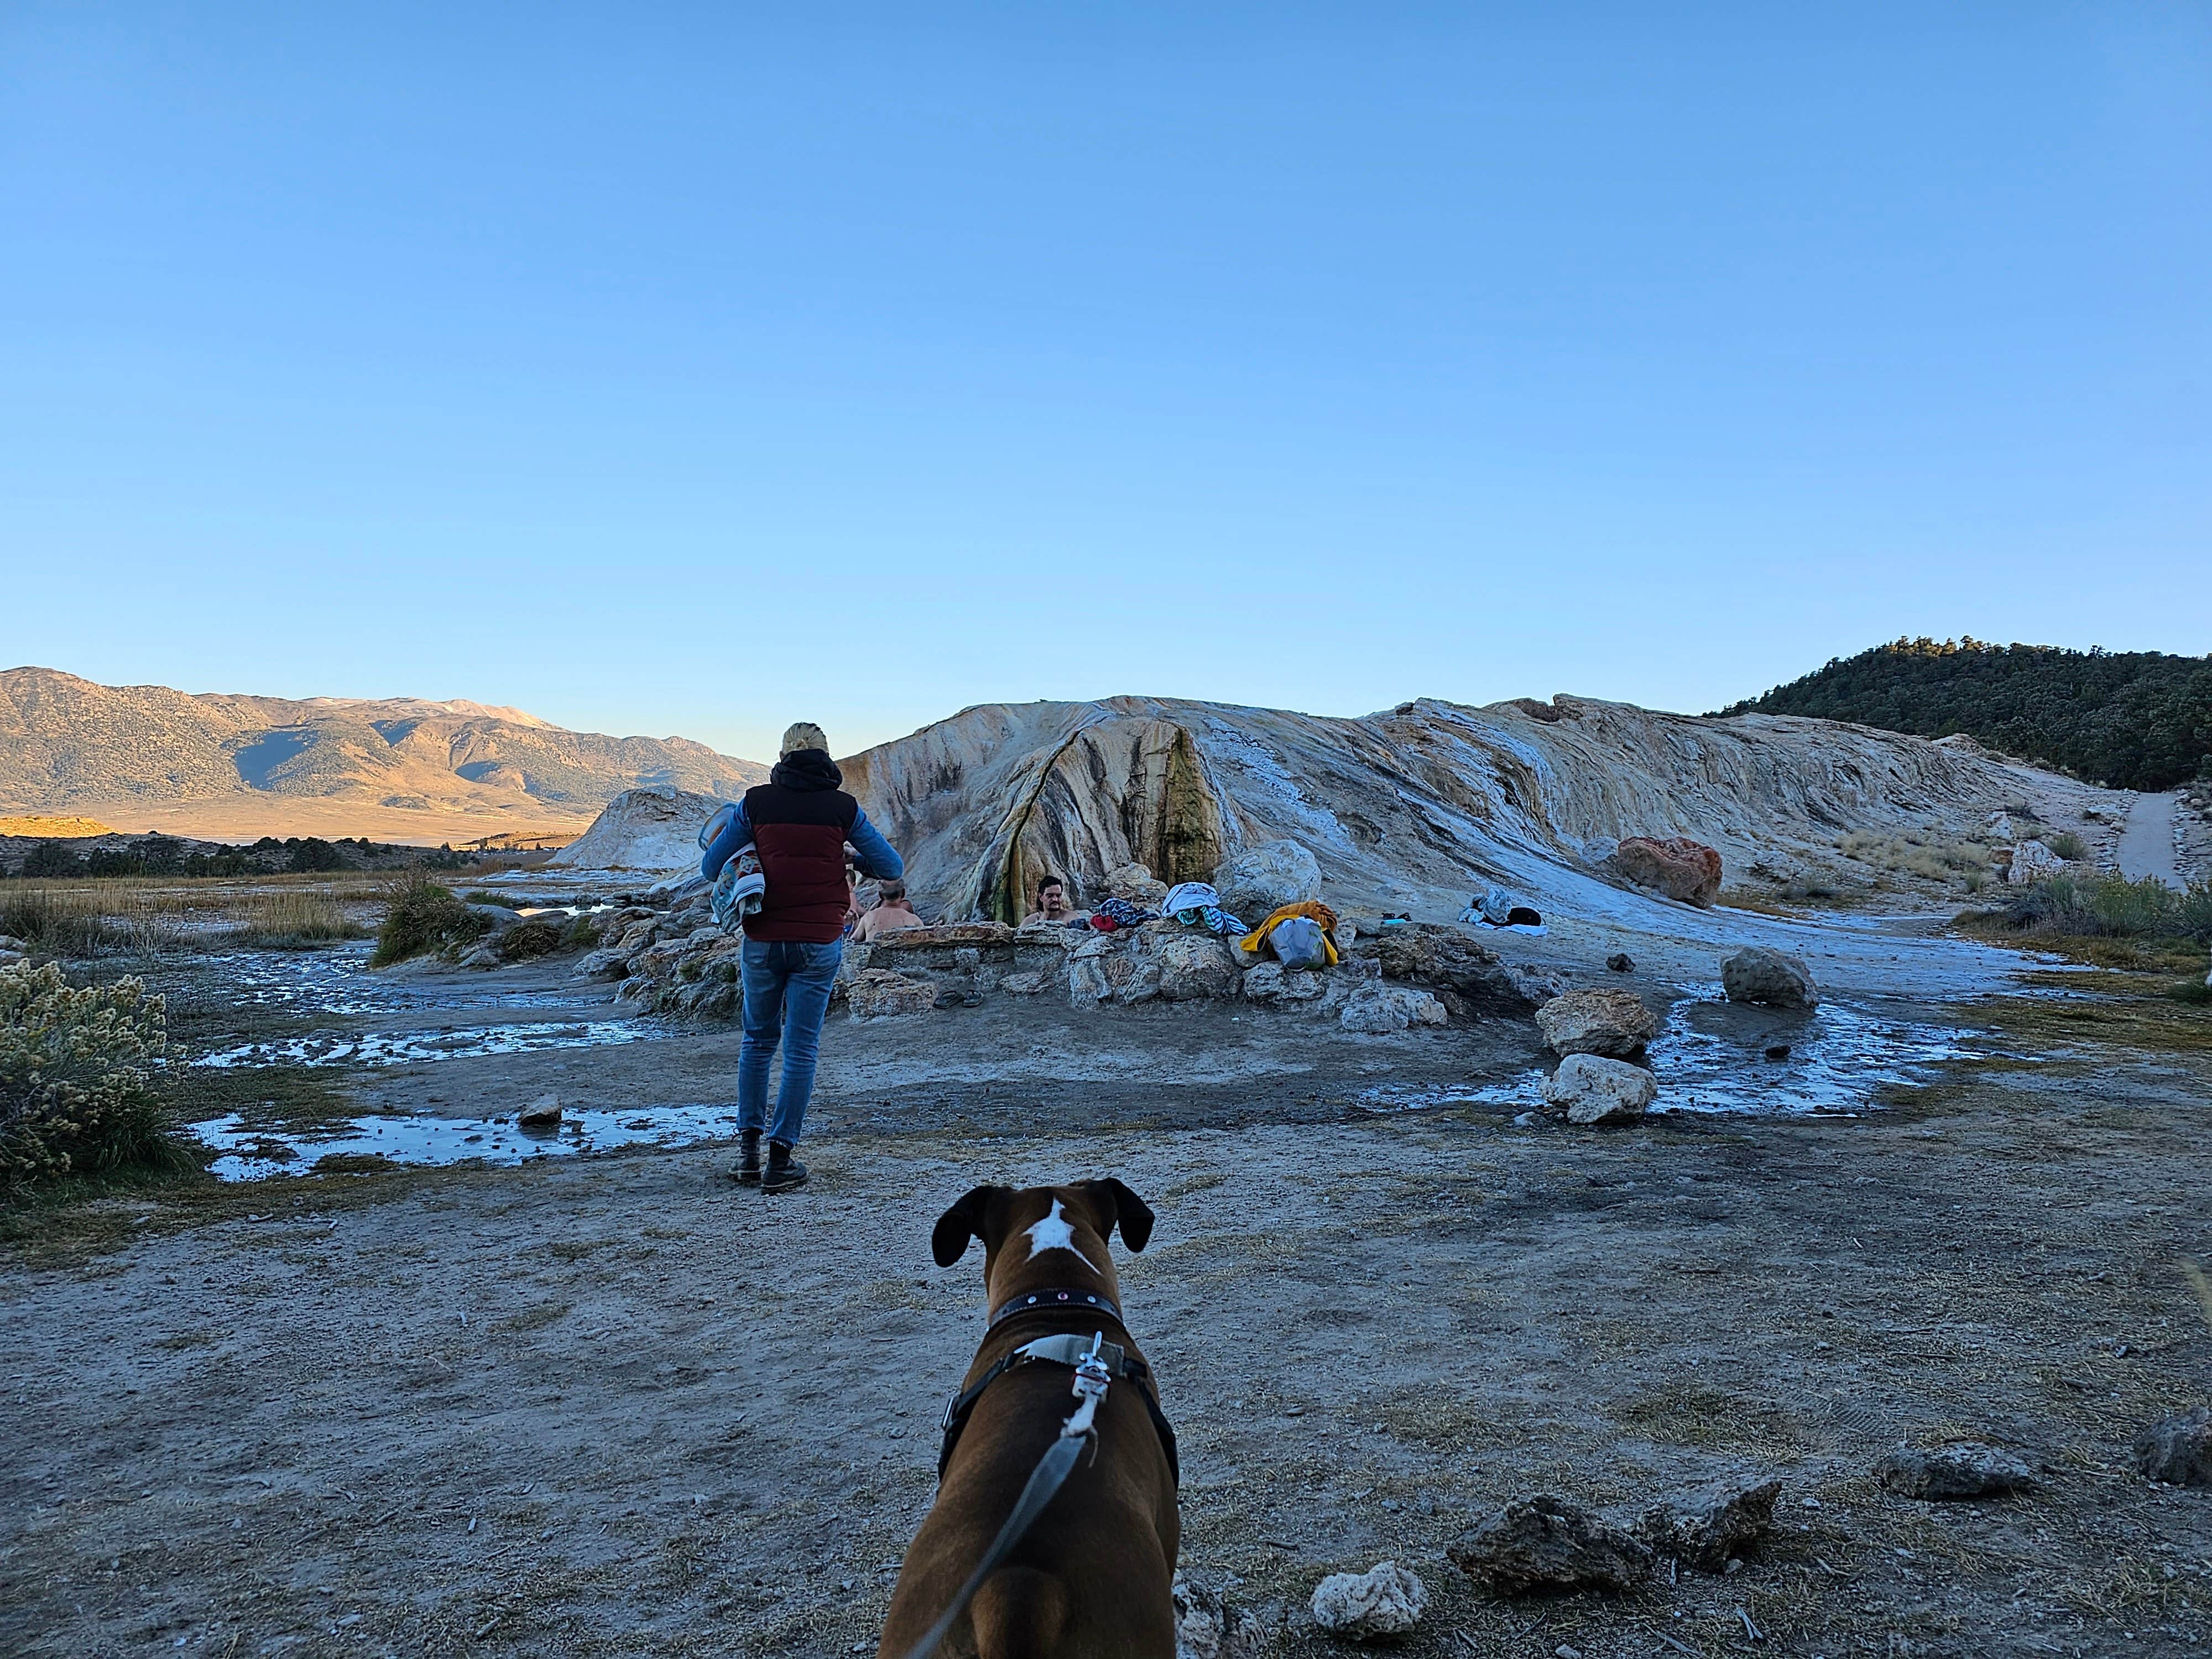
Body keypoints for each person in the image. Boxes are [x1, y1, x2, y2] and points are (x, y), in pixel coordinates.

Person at [700, 722, 902, 1194]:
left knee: (757, 1042)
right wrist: (849, 858)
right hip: (818, 942)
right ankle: (781, 1160)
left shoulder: (756, 803)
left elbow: (711, 866)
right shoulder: (842, 808)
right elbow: (892, 868)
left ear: (783, 755)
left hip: (763, 939)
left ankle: (748, 1154)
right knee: (801, 1047)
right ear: (827, 756)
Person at [851, 878, 926, 942]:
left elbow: (852, 941)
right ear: (903, 893)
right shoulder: (915, 920)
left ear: (880, 895)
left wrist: (855, 922)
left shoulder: (869, 917)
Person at [1021, 874, 1085, 926]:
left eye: (1058, 895)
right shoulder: (1031, 921)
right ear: (1041, 897)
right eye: (1050, 896)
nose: (1055, 899)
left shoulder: (1070, 918)